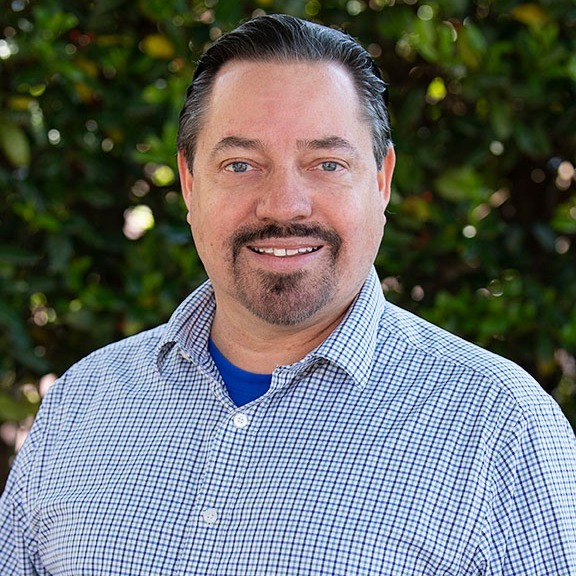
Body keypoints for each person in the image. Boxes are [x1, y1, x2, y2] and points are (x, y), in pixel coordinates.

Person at [1, 14, 575, 575]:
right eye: (242, 164)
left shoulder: (501, 428)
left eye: (326, 163)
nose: (284, 205)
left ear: (381, 181)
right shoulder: (82, 403)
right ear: (191, 183)